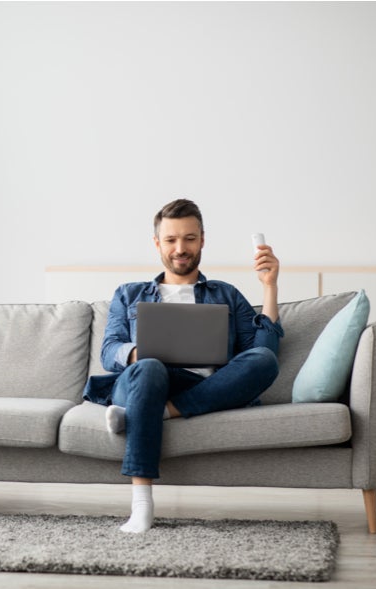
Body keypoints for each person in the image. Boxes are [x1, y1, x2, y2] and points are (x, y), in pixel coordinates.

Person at [82, 198, 284, 533]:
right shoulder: (128, 294)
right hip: (141, 381)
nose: (180, 248)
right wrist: (142, 353)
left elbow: (262, 352)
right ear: (157, 243)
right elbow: (109, 351)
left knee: (264, 360)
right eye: (171, 239)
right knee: (150, 368)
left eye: (189, 238)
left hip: (201, 386)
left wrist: (269, 287)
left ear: (202, 240)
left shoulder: (226, 294)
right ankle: (141, 504)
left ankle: (156, 412)